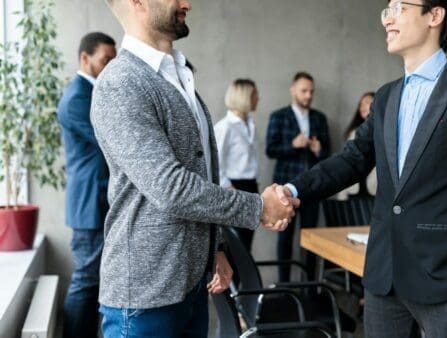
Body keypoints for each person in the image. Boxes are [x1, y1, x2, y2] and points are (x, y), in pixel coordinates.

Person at [276, 0, 447, 337]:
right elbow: (353, 159)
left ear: (435, 14)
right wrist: (292, 190)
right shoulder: (386, 97)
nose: (388, 18)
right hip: (383, 277)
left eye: (400, 7)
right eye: (387, 10)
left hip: (445, 282)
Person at [93, 1, 297, 337]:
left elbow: (200, 173)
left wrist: (215, 248)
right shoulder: (121, 83)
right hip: (146, 296)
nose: (187, 2)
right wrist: (259, 208)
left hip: (189, 285)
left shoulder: (178, 77)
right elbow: (171, 188)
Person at [57, 31, 116, 338]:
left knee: (95, 279)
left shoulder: (91, 92)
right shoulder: (78, 97)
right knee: (87, 279)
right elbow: (109, 140)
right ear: (85, 58)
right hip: (90, 203)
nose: (111, 66)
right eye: (106, 60)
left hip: (97, 201)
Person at [266, 72, 331, 282]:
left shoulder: (319, 118)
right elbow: (271, 150)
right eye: (304, 91)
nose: (308, 95)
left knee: (310, 237)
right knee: (284, 237)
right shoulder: (279, 116)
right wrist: (293, 145)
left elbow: (329, 154)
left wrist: (319, 149)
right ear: (293, 90)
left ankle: (310, 284)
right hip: (285, 187)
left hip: (312, 188)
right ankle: (284, 284)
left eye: (311, 91)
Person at [214, 79, 260, 251]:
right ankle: (232, 279)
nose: (258, 98)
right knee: (234, 244)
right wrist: (228, 187)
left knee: (246, 243)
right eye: (255, 94)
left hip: (250, 186)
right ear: (244, 96)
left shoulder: (251, 124)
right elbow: (214, 161)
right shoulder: (225, 127)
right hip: (234, 187)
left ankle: (241, 279)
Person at [337, 92, 377, 200]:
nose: (363, 107)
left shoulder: (384, 131)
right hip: (354, 188)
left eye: (367, 102)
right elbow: (346, 163)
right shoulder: (354, 133)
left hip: (375, 189)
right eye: (361, 104)